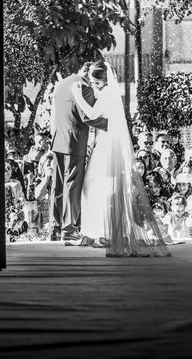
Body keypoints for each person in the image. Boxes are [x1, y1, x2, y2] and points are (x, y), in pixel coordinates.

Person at [69, 61, 170, 257]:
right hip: (105, 143)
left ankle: (105, 231)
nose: (93, 85)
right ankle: (98, 230)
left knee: (98, 188)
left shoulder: (107, 94)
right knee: (96, 187)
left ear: (104, 80)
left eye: (95, 82)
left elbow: (91, 113)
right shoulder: (109, 94)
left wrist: (77, 95)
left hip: (107, 146)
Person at [49, 61, 107, 242]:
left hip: (58, 141)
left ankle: (55, 227)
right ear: (87, 72)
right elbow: (86, 116)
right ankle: (69, 228)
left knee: (58, 185)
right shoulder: (83, 87)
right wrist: (111, 125)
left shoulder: (62, 83)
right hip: (74, 144)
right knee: (72, 185)